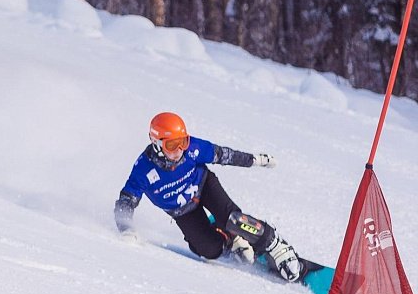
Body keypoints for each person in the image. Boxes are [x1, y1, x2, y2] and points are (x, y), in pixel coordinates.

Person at [114, 111, 309, 283]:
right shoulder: (143, 170)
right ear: (156, 144)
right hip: (182, 211)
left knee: (234, 219)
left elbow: (223, 155)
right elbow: (126, 201)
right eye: (173, 145)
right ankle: (230, 242)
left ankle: (275, 244)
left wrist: (254, 160)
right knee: (207, 250)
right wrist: (126, 228)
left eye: (183, 142)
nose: (180, 150)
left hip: (204, 185)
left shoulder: (193, 150)